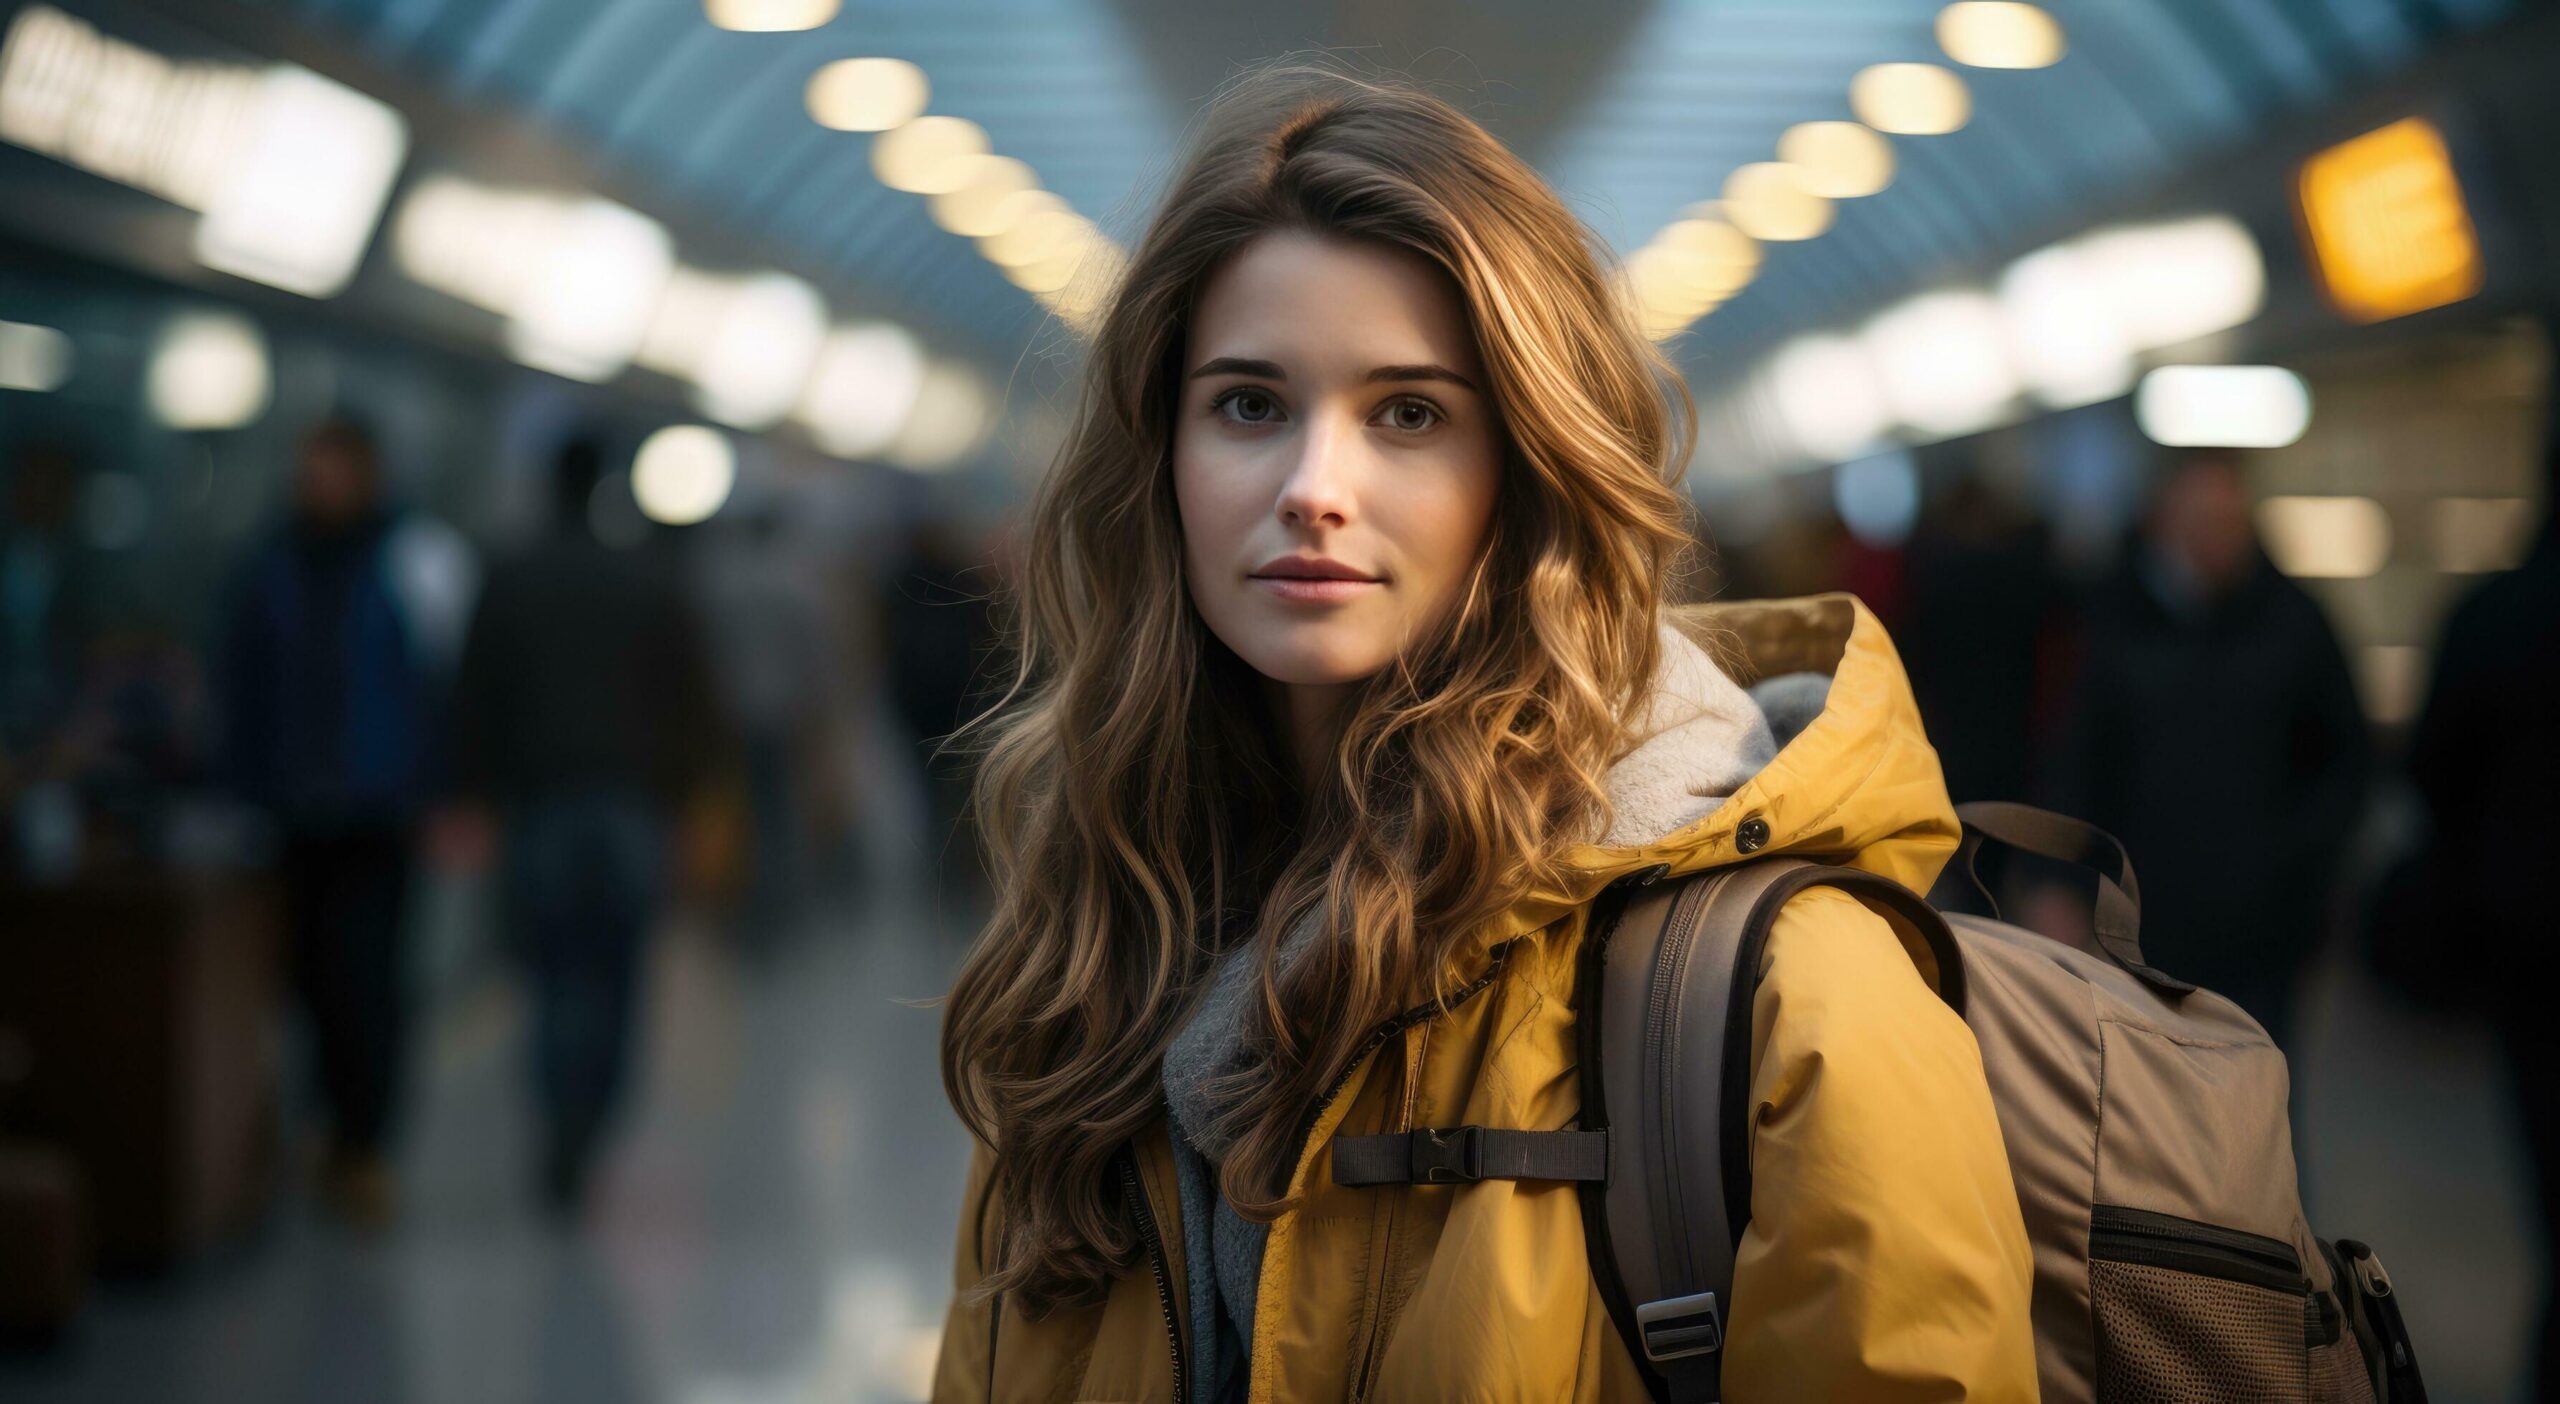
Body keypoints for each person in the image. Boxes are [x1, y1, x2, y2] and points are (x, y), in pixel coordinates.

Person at [929, 63, 2035, 1403]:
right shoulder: (1110, 933)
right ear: (1156, 458)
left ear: (1529, 471)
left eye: (1409, 415)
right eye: (1248, 405)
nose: (1312, 489)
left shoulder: (1792, 993)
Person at [443, 433, 726, 1214]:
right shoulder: (646, 578)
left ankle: (558, 1124)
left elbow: (473, 693)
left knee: (553, 975)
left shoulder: (509, 576)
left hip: (540, 804)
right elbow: (692, 696)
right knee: (619, 973)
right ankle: (592, 1121)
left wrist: (470, 793)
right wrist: (688, 796)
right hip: (632, 806)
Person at [2044, 447, 2371, 1057]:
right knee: (2154, 1104)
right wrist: (2058, 880)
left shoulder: (2294, 622)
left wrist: (2301, 863)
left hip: (2265, 925)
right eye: (2203, 522)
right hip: (2142, 922)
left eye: (2230, 522)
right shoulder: (2117, 623)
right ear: (2166, 522)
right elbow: (2078, 761)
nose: (2219, 540)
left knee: (2259, 1099)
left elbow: (2343, 761)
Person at [218, 415, 435, 1229]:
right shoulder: (268, 566)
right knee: (302, 980)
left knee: (368, 983)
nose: (320, 484)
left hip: (378, 812)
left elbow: (438, 683)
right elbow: (239, 682)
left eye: (335, 469)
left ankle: (364, 1146)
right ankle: (314, 1134)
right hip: (288, 810)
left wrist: (440, 788)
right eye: (312, 468)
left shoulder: (409, 563)